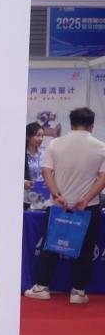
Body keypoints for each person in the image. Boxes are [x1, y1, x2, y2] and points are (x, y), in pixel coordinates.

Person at [24, 107, 105, 304]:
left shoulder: (55, 144)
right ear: (91, 126)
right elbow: (103, 177)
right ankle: (78, 292)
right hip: (88, 206)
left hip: (58, 204)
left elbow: (46, 172)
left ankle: (41, 287)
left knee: (50, 245)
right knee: (85, 249)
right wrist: (86, 199)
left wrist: (57, 195)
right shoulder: (101, 147)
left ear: (71, 123)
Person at [24, 122, 45, 210]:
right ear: (27, 137)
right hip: (25, 199)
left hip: (42, 199)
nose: (41, 139)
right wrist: (24, 182)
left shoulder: (44, 154)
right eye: (38, 135)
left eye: (42, 136)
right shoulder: (21, 155)